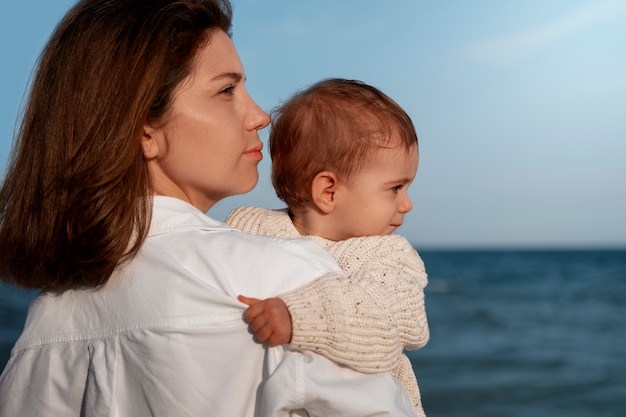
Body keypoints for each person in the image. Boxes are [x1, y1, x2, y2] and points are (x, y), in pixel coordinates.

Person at [0, 1, 418, 416]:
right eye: (226, 90)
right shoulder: (286, 280)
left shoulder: (42, 331)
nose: (259, 116)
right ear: (146, 132)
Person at [226, 78, 430, 416]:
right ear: (329, 192)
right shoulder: (250, 226)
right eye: (396, 188)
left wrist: (300, 315)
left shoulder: (388, 255)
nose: (406, 204)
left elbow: (394, 321)